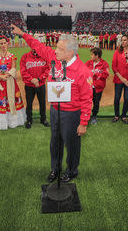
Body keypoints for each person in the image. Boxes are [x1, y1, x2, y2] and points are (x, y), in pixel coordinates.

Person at [11, 23, 92, 183]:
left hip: (72, 113)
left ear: (70, 52)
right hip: (55, 110)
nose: (55, 51)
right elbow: (38, 45)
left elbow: (87, 99)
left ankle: (71, 170)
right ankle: (55, 168)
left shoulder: (83, 71)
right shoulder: (54, 57)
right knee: (55, 142)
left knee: (71, 144)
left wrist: (83, 122)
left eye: (60, 49)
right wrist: (22, 34)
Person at [0, 35, 26, 130]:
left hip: (9, 82)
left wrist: (6, 75)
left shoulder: (12, 56)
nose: (3, 45)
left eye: (4, 43)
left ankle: (12, 122)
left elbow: (13, 69)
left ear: (7, 43)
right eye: (1, 43)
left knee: (11, 99)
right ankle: (0, 123)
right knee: (0, 101)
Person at [20, 48, 50, 129]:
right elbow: (23, 71)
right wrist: (32, 79)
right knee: (29, 103)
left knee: (42, 103)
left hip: (41, 84)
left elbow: (48, 69)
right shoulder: (25, 57)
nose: (35, 49)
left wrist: (39, 79)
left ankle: (43, 119)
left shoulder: (44, 56)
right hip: (29, 85)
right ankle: (29, 120)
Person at [85, 47, 110, 125]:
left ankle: (94, 116)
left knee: (96, 103)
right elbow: (83, 72)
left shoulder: (104, 64)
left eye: (92, 54)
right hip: (88, 87)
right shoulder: (88, 63)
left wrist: (96, 74)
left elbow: (106, 74)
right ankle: (86, 116)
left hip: (98, 87)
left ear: (97, 55)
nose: (91, 56)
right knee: (87, 102)